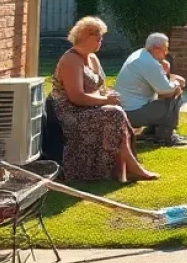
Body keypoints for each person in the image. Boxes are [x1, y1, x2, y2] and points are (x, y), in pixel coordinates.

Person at [50, 17, 158, 183]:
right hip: (71, 111)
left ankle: (127, 167)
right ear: (86, 35)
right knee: (114, 114)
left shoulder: (92, 58)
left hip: (89, 106)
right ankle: (130, 167)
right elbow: (76, 96)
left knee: (116, 112)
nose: (101, 41)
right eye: (98, 37)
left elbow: (99, 87)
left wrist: (108, 96)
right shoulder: (71, 60)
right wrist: (104, 100)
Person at [116, 33, 187, 147]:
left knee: (167, 95)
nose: (166, 53)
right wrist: (177, 82)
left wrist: (166, 71)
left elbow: (161, 83)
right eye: (165, 49)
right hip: (132, 114)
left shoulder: (140, 55)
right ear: (155, 49)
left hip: (125, 110)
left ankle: (151, 132)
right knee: (176, 92)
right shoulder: (149, 63)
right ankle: (165, 136)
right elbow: (165, 90)